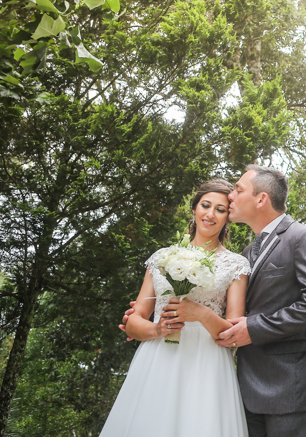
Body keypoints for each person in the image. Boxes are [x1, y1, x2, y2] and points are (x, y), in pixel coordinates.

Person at [102, 179, 251, 436]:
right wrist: (158, 329)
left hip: (206, 364)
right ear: (194, 209)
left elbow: (233, 335)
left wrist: (201, 314)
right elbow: (134, 319)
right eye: (205, 205)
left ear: (228, 217)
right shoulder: (162, 258)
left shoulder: (236, 265)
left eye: (220, 209)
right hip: (157, 360)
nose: (210, 214)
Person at [216, 164, 306, 437]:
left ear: (261, 199)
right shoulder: (248, 251)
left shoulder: (303, 238)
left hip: (292, 390)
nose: (230, 197)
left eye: (238, 190)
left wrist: (254, 328)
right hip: (247, 389)